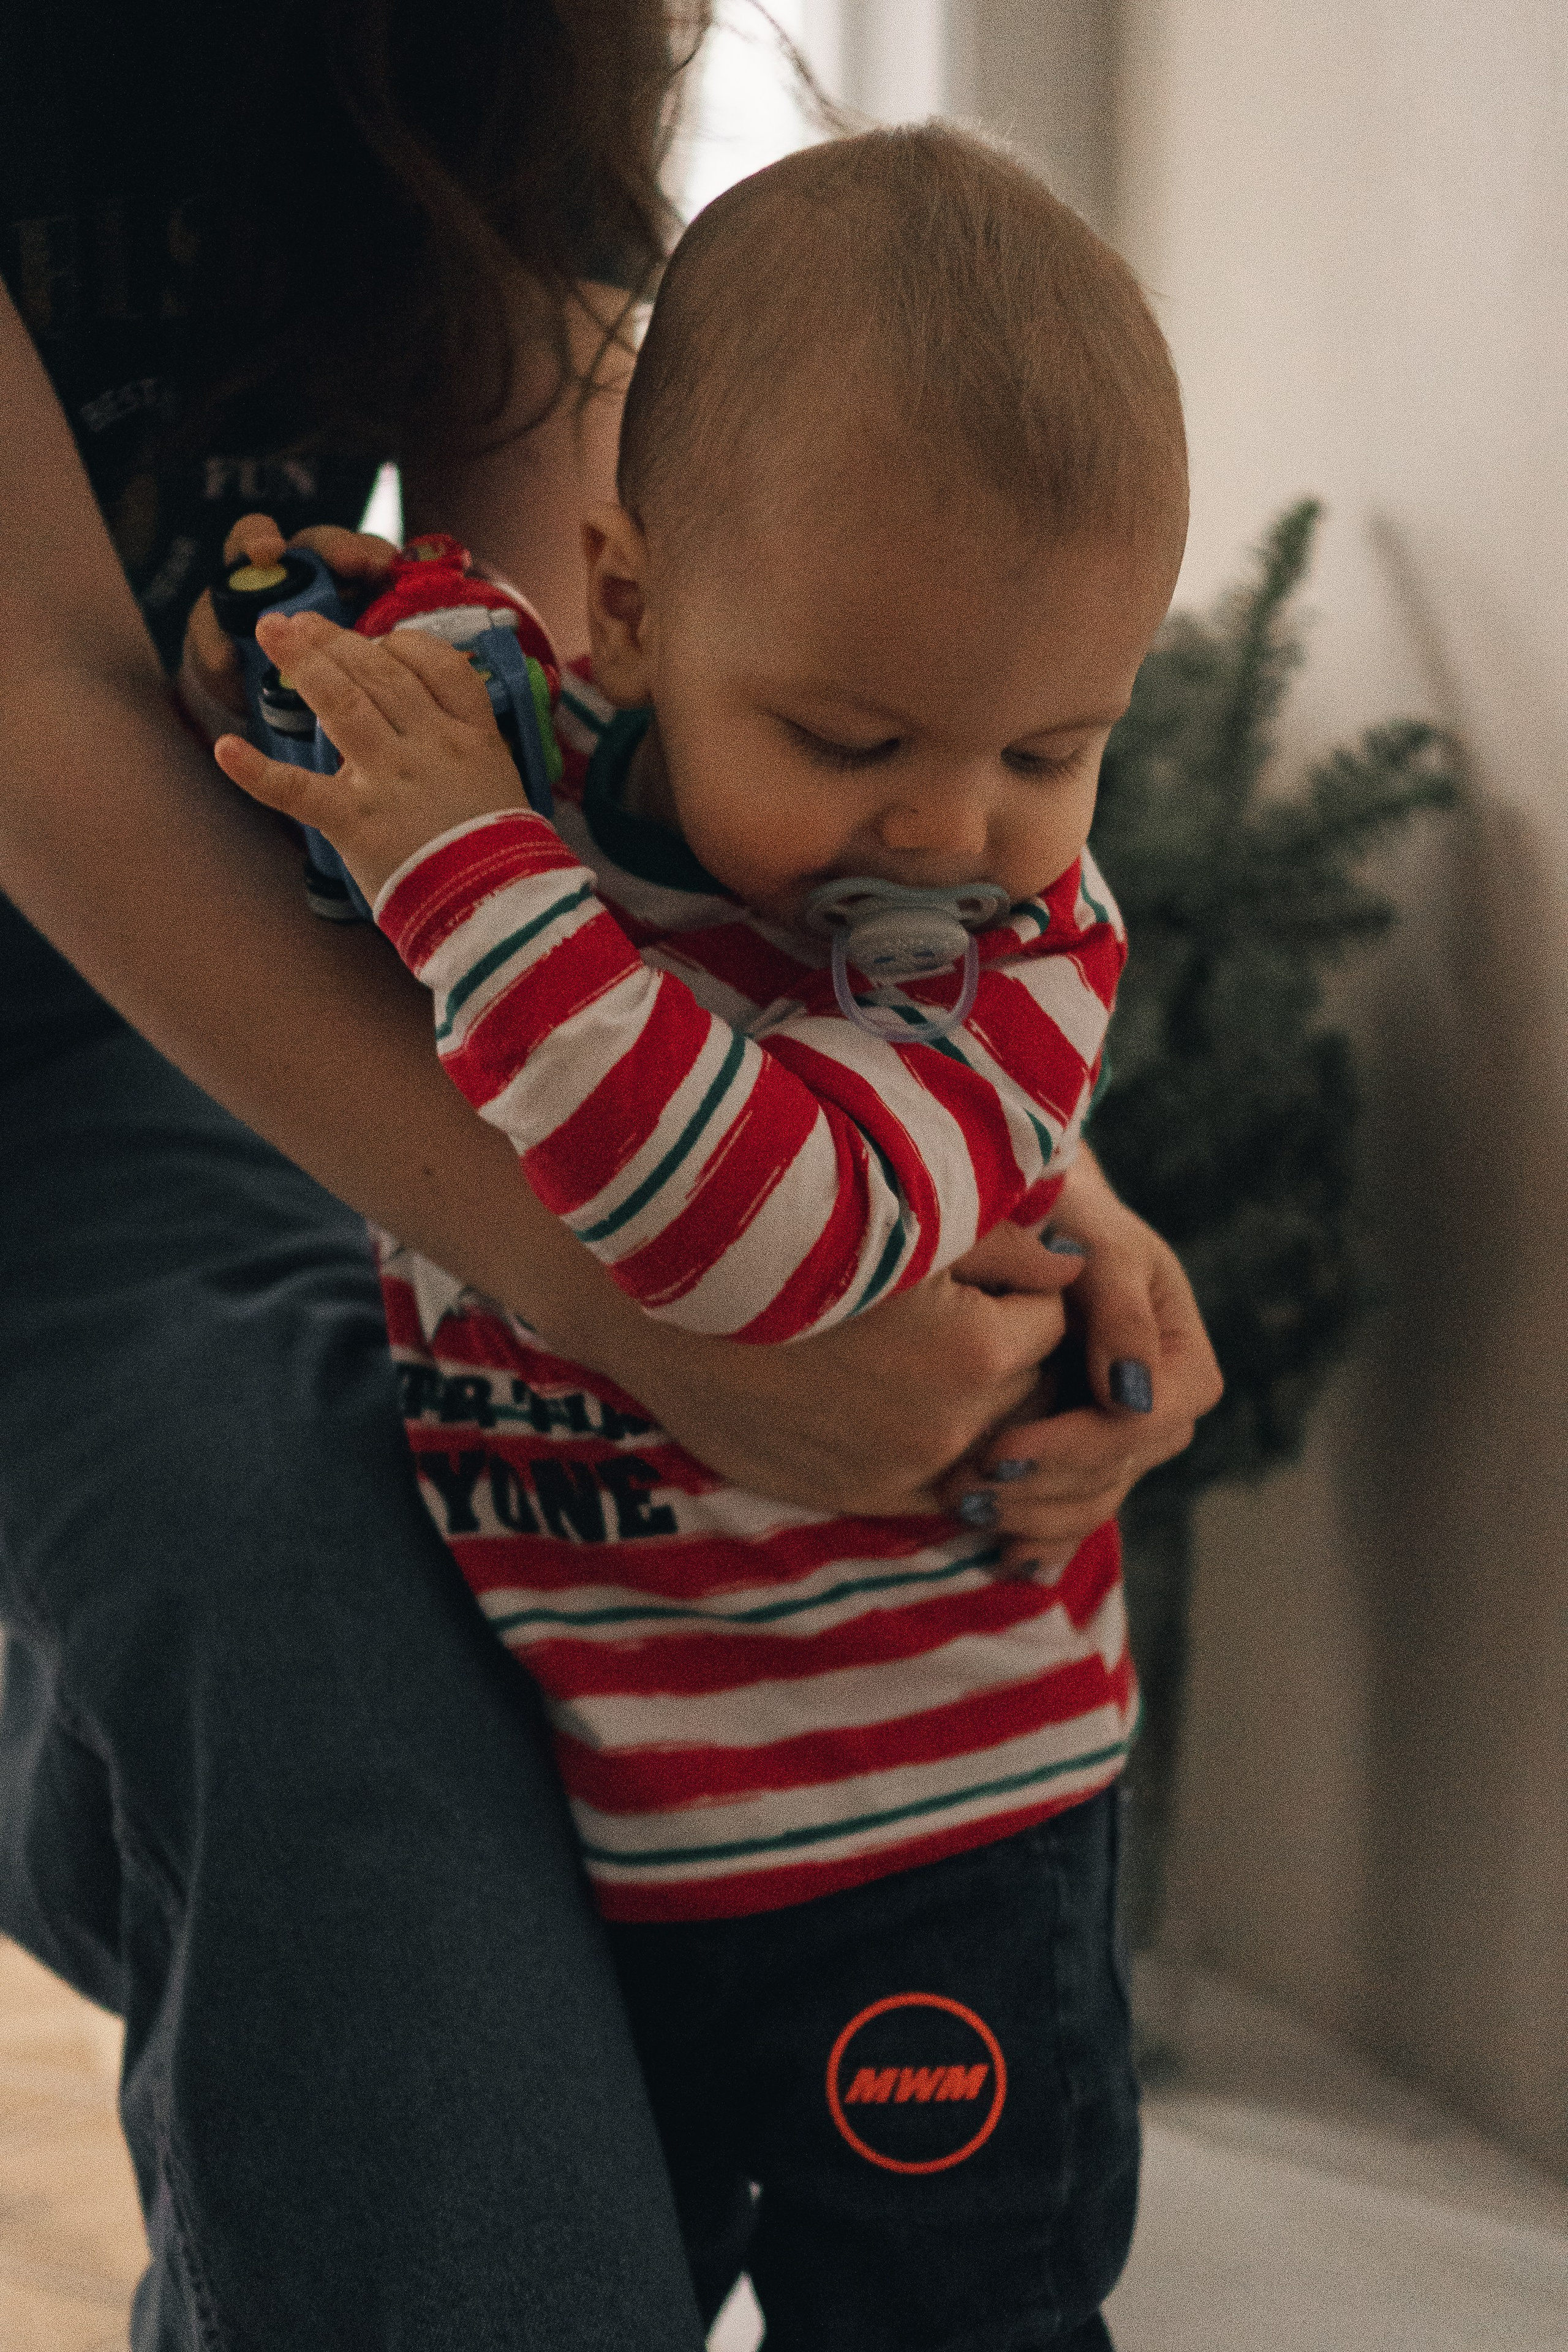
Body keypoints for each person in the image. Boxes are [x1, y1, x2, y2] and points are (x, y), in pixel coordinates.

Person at [205, 126, 1197, 2350]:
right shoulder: (542, 778)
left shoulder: (1016, 964)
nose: (949, 826)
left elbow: (755, 1238)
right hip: (602, 1812)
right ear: (633, 611)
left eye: (1057, 746)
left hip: (929, 1845)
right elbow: (360, 675)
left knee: (954, 2319)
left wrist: (461, 867)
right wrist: (305, 643)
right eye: (850, 735)